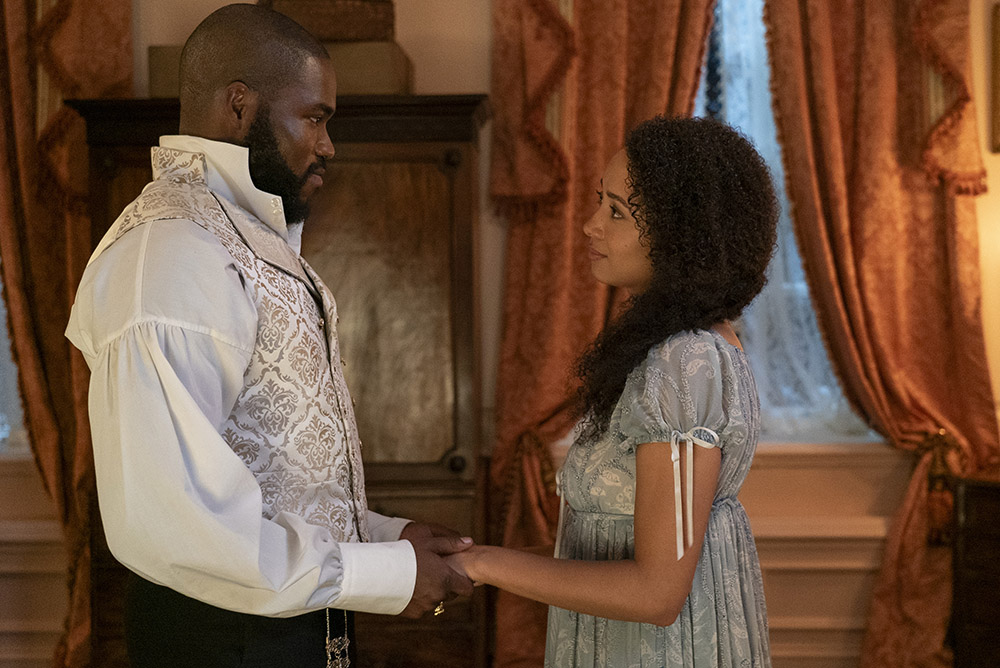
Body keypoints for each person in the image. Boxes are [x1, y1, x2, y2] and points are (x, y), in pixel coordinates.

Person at [65, 5, 472, 667]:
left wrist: (387, 538)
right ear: (239, 106)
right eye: (314, 117)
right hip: (222, 640)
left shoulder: (245, 238)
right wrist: (384, 571)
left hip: (290, 627)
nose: (328, 144)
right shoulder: (170, 251)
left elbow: (275, 474)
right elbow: (177, 519)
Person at [447, 116, 778, 667]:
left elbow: (656, 594)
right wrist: (475, 557)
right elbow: (604, 544)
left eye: (617, 212)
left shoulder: (685, 360)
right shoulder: (688, 347)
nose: (590, 225)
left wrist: (480, 565)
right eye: (601, 202)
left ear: (681, 236)